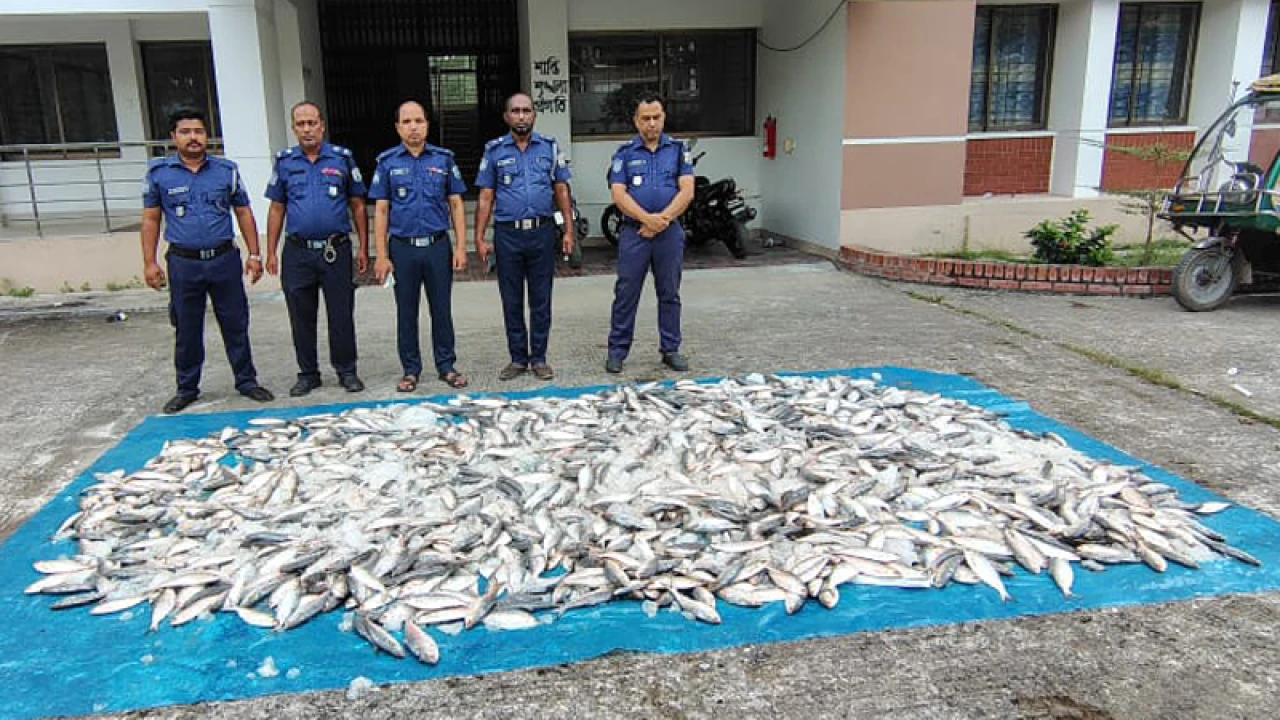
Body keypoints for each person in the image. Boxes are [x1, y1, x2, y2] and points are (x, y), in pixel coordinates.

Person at [140, 107, 274, 414]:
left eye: (198, 131)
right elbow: (150, 220)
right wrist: (149, 262)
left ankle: (246, 381)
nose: (193, 138)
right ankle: (187, 388)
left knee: (235, 323)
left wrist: (254, 254)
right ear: (174, 137)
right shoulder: (159, 173)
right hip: (183, 263)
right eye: (185, 132)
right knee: (187, 328)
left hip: (223, 259)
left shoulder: (226, 170)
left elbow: (243, 212)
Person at [264, 101, 369, 396]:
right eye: (301, 124)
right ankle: (308, 373)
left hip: (335, 250)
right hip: (297, 252)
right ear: (294, 128)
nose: (307, 129)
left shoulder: (342, 159)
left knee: (341, 314)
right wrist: (270, 251)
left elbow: (358, 205)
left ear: (322, 125)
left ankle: (347, 371)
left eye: (312, 123)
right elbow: (276, 208)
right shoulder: (285, 162)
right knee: (301, 315)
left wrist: (363, 247)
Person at [369, 100, 469, 391]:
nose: (413, 127)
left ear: (427, 124)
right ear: (398, 127)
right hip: (402, 248)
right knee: (406, 310)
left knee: (441, 309)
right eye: (407, 122)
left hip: (437, 245)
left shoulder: (443, 159)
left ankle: (446, 366)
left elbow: (456, 204)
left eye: (419, 121)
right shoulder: (387, 163)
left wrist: (461, 246)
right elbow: (382, 210)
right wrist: (382, 255)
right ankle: (410, 370)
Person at [473, 92, 574, 381]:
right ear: (506, 116)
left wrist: (568, 230)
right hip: (508, 236)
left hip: (542, 233)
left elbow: (562, 190)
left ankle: (539, 358)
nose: (521, 116)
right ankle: (518, 358)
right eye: (515, 111)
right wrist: (479, 238)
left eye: (526, 110)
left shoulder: (550, 148)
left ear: (534, 115)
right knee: (512, 300)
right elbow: (485, 196)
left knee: (541, 299)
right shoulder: (494, 151)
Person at [604, 92, 695, 374]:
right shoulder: (624, 153)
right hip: (634, 234)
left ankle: (670, 349)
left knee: (669, 292)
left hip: (669, 234)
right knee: (626, 293)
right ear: (636, 121)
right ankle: (617, 352)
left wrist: (662, 220)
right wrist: (646, 219)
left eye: (657, 117)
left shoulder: (679, 150)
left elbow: (688, 190)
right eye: (646, 119)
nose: (652, 124)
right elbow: (618, 194)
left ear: (663, 117)